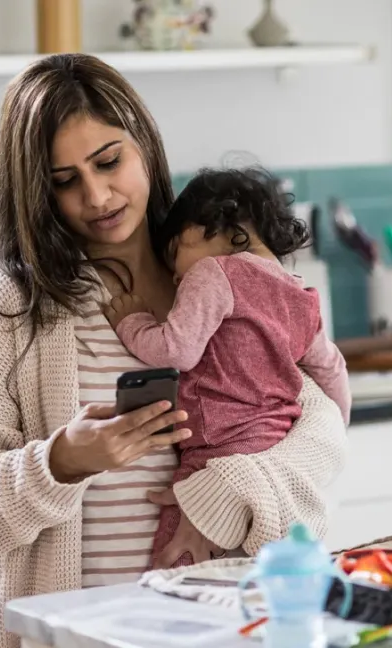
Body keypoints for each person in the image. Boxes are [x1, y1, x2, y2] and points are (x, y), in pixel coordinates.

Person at [0, 53, 346, 648]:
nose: (97, 195)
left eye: (108, 162)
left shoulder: (219, 275)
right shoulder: (14, 305)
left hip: (235, 627)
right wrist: (61, 462)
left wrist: (223, 496)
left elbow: (322, 430)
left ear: (144, 144)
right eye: (64, 180)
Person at [104, 166, 351, 566]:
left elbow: (177, 350)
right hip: (274, 447)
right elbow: (330, 370)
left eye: (173, 254)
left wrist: (132, 322)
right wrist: (339, 422)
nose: (173, 273)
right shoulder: (302, 295)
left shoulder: (213, 271)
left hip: (216, 452)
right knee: (248, 573)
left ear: (211, 227)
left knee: (174, 561)